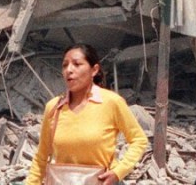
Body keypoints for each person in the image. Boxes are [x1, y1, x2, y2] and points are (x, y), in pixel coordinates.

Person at [25, 44, 148, 185]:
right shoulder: (54, 108)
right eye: (65, 65)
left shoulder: (111, 102)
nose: (69, 70)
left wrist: (118, 172)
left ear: (94, 70)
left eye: (77, 64)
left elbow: (139, 140)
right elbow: (41, 157)